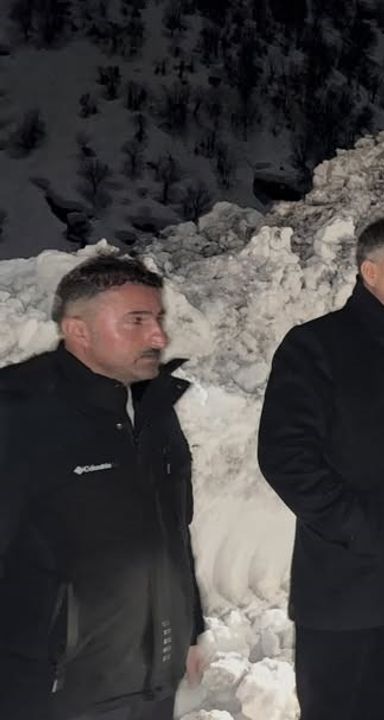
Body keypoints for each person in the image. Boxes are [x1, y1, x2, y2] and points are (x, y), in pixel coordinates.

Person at [257, 215, 384, 720]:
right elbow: (285, 456)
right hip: (344, 587)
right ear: (370, 272)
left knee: (381, 708)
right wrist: (359, 528)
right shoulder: (315, 345)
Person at [0, 254, 205, 720]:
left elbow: (172, 533)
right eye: (136, 320)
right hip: (53, 692)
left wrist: (188, 629)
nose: (159, 337)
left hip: (152, 684)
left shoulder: (153, 410)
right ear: (79, 331)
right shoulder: (18, 412)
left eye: (158, 319)